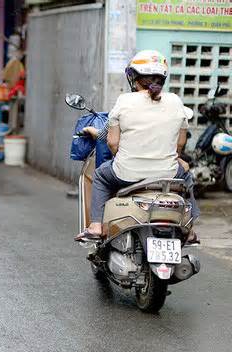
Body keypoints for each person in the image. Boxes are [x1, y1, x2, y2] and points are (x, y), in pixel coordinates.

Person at [76, 50, 199, 242]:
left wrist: (123, 155)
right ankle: (190, 229)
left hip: (127, 173)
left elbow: (112, 142)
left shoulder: (124, 101)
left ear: (133, 77)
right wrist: (174, 158)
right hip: (167, 174)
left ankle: (96, 225)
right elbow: (180, 144)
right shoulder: (176, 101)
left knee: (100, 176)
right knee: (187, 176)